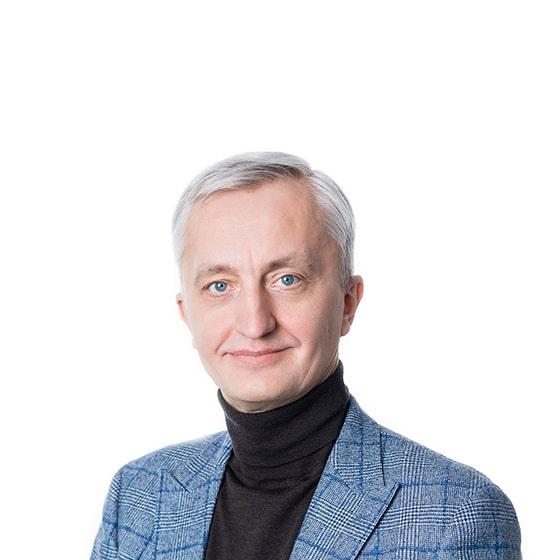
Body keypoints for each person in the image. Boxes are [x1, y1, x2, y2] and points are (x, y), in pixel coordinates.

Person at [90, 152, 522, 559]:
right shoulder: (139, 495)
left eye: (287, 279)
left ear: (347, 302)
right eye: (219, 286)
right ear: (187, 314)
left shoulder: (454, 515)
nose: (255, 323)